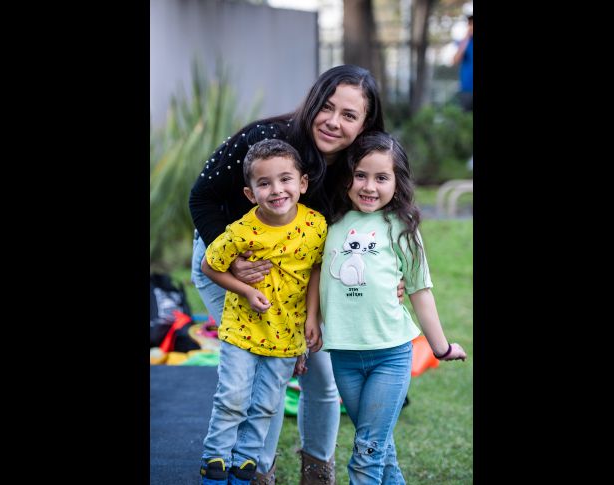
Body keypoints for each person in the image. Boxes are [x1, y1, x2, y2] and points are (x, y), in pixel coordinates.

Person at [189, 64, 396, 484]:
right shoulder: (266, 139)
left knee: (322, 374)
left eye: (349, 115)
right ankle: (256, 470)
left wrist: (394, 271)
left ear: (365, 124)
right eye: (327, 107)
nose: (333, 121)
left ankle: (317, 469)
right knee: (262, 372)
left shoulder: (359, 166)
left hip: (305, 278)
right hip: (233, 269)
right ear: (313, 101)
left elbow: (380, 216)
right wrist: (230, 261)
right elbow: (202, 196)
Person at [320, 131, 467, 484]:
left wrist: (441, 347)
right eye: (360, 175)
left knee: (366, 451)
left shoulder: (402, 228)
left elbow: (420, 291)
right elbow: (313, 277)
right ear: (347, 176)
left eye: (382, 177)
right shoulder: (328, 223)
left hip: (391, 355)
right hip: (343, 356)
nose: (369, 186)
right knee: (379, 447)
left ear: (397, 182)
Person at [198, 139, 326, 485]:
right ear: (250, 193)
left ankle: (245, 462)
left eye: (285, 179)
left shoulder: (315, 226)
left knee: (268, 404)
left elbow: (316, 269)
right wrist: (246, 290)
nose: (277, 190)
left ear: (302, 183)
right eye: (265, 183)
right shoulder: (241, 231)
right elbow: (209, 266)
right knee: (233, 397)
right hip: (242, 329)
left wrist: (312, 318)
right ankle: (215, 459)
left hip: (286, 334)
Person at [453, 14, 473, 112]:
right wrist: (466, 38)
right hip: (467, 88)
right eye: (470, 24)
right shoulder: (463, 42)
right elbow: (455, 60)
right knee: (466, 118)